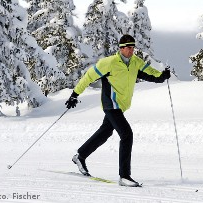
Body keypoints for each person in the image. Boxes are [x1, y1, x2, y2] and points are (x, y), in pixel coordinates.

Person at [65, 34, 171, 187]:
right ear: (121, 49)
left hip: (120, 106)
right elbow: (88, 76)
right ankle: (124, 176)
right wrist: (75, 94)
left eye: (133, 47)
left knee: (105, 132)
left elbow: (150, 73)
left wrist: (162, 76)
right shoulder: (109, 63)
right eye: (129, 48)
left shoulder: (135, 62)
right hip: (111, 104)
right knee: (127, 134)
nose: (131, 50)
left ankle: (80, 156)